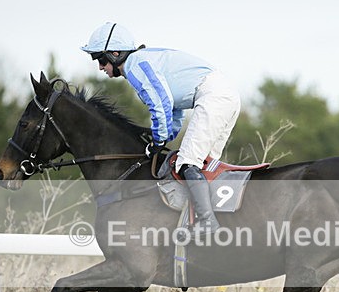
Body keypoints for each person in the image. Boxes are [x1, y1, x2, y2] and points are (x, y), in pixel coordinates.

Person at [81, 22, 241, 233]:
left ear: (116, 53)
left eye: (100, 59)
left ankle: (208, 223)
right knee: (204, 167)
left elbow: (161, 104)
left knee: (187, 163)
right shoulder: (144, 60)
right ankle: (208, 222)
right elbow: (175, 109)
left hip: (214, 96)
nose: (100, 67)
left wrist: (158, 141)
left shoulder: (134, 65)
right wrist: (165, 136)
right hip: (225, 96)